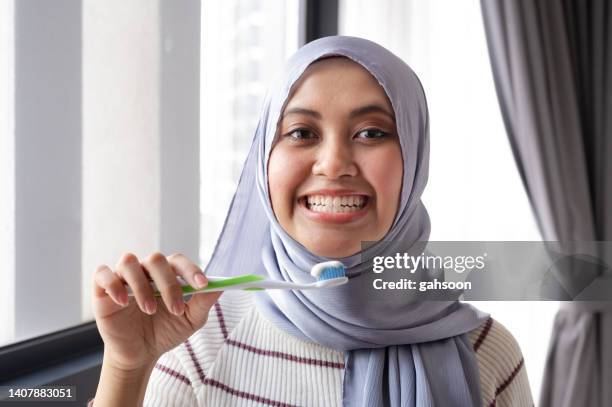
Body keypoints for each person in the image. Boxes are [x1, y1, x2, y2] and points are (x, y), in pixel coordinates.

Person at [90, 36, 533, 406]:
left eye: (372, 133)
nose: (334, 163)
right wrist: (127, 368)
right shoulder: (197, 344)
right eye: (302, 133)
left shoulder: (487, 352)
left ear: (416, 158)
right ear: (265, 160)